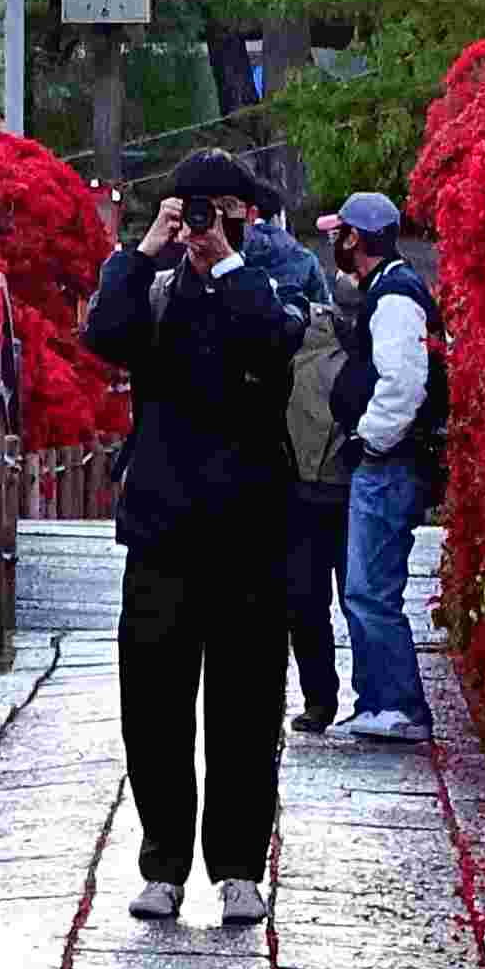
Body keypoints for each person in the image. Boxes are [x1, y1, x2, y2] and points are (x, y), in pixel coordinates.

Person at [81, 147, 305, 926]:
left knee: (247, 704)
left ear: (244, 214)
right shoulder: (154, 289)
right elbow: (104, 337)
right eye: (191, 209)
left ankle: (239, 865)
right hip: (162, 526)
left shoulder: (278, 280)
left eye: (217, 209)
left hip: (249, 528)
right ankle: (162, 862)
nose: (204, 223)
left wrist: (227, 265)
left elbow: (272, 345)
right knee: (154, 703)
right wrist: (144, 253)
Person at [319, 192, 445, 741]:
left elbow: (402, 383)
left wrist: (369, 439)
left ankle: (399, 705)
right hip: (389, 458)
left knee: (371, 588)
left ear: (356, 239)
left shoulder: (394, 297)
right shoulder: (390, 289)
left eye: (339, 233)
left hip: (390, 462)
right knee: (367, 588)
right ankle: (377, 703)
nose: (332, 243)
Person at [258, 203, 353, 734]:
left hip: (322, 485)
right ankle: (333, 697)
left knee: (321, 601)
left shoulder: (359, 338)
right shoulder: (310, 338)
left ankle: (330, 698)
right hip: (318, 485)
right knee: (325, 600)